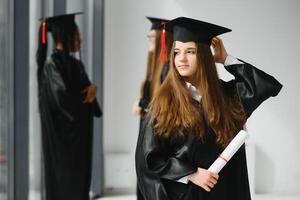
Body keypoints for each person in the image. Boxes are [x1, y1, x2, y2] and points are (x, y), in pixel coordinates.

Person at [135, 17, 282, 200]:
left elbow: (267, 85)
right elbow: (149, 159)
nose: (181, 58)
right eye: (176, 52)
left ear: (204, 56)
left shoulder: (226, 96)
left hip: (224, 191)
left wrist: (226, 59)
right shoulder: (164, 101)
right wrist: (192, 174)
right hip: (187, 194)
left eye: (190, 51)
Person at [36, 12, 102, 200]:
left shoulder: (75, 63)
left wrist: (92, 90)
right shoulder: (52, 65)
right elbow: (63, 101)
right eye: (77, 36)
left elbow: (86, 91)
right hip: (63, 140)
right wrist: (87, 96)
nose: (80, 40)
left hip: (79, 138)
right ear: (66, 36)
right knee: (65, 183)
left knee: (80, 181)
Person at [133, 16, 173, 200]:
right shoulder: (154, 66)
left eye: (152, 36)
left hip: (159, 133)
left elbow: (162, 102)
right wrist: (141, 101)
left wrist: (143, 104)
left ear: (162, 38)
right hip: (148, 128)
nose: (149, 38)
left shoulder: (167, 68)